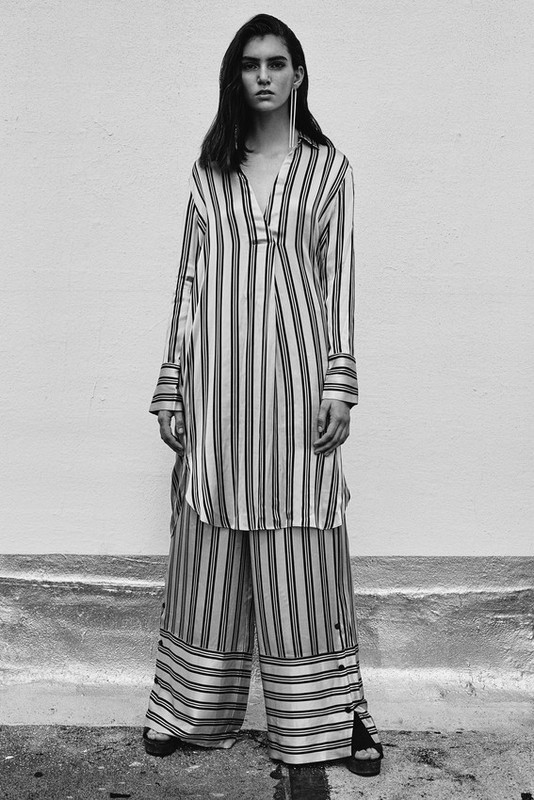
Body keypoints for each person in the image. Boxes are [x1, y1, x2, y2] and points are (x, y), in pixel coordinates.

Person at [143, 13, 383, 777]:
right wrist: (172, 384)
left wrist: (339, 382)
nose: (265, 76)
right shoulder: (209, 172)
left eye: (278, 63)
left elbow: (337, 282)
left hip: (296, 390)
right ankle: (186, 710)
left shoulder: (328, 170)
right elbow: (188, 283)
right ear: (236, 77)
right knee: (208, 548)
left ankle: (333, 723)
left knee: (303, 551)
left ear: (298, 74)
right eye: (251, 64)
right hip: (216, 393)